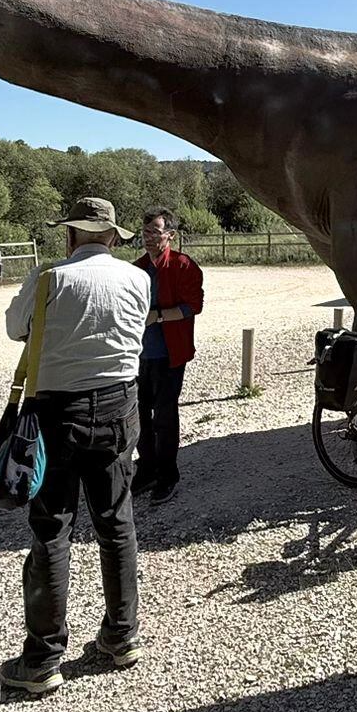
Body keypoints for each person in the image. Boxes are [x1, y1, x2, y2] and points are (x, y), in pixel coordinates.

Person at [0, 197, 151, 695]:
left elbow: (15, 329)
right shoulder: (138, 279)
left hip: (57, 411)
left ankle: (43, 657)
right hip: (120, 406)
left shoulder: (48, 278)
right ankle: (121, 636)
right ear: (113, 236)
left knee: (52, 530)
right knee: (117, 523)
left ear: (70, 235)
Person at [132, 205, 203, 504]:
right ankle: (147, 468)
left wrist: (157, 316)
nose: (149, 238)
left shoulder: (185, 266)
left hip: (169, 355)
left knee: (164, 416)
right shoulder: (134, 269)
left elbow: (193, 306)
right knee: (138, 417)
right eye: (146, 232)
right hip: (137, 356)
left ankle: (167, 474)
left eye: (156, 233)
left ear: (170, 235)